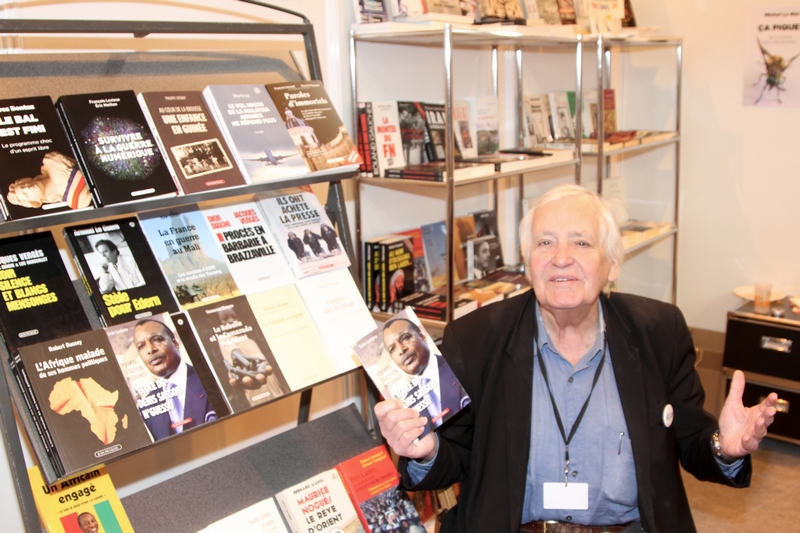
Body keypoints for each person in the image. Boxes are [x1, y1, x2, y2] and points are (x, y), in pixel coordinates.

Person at [375, 183, 778, 533]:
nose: (561, 257)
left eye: (581, 242)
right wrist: (426, 450)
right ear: (527, 262)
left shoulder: (660, 331)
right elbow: (456, 458)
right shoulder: (476, 337)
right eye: (545, 242)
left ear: (613, 263)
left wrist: (726, 447)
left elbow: (693, 443)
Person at [133, 319, 217, 439]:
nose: (150, 350)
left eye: (156, 339)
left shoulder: (211, 379)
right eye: (141, 346)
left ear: (176, 344)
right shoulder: (146, 407)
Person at [382, 317, 469, 429]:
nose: (400, 350)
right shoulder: (409, 403)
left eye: (405, 338)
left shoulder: (457, 365)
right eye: (392, 349)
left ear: (422, 337)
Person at [6, 151, 92, 211]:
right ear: (35, 202)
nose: (28, 188)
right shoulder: (77, 201)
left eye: (23, 186)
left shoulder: (52, 161)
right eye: (26, 194)